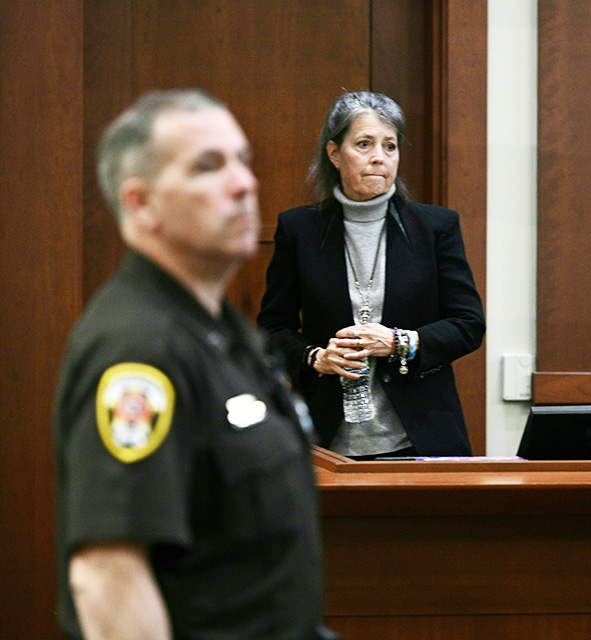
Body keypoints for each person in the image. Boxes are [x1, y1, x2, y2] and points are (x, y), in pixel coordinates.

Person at [55, 90, 337, 640]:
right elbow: (108, 577)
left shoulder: (226, 335)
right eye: (208, 166)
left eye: (242, 160)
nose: (243, 183)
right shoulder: (138, 349)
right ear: (142, 204)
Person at [257, 91, 485, 459]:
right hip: (326, 441)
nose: (379, 157)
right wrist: (316, 358)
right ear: (334, 153)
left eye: (390, 146)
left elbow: (469, 324)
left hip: (421, 436)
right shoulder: (299, 228)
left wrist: (400, 342)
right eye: (364, 144)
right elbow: (271, 329)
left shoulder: (435, 227)